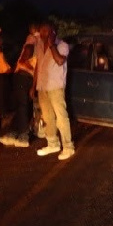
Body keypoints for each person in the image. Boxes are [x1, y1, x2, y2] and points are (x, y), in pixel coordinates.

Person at [31, 21, 75, 160]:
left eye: (46, 31)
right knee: (47, 117)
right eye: (42, 31)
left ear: (53, 32)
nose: (43, 34)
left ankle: (68, 147)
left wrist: (51, 45)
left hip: (55, 87)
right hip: (43, 86)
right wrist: (34, 86)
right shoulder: (38, 45)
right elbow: (38, 65)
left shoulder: (62, 45)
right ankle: (53, 144)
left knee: (61, 117)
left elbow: (60, 61)